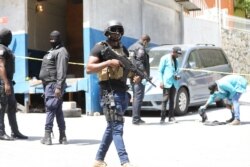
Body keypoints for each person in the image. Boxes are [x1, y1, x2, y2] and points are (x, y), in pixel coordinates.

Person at [86, 20, 138, 167]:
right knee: (117, 127)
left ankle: (98, 159)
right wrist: (108, 63)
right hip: (108, 92)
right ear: (107, 32)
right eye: (114, 30)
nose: (117, 33)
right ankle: (125, 161)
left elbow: (128, 73)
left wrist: (135, 76)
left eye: (119, 30)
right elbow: (89, 68)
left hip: (122, 92)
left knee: (112, 127)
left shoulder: (124, 50)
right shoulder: (100, 48)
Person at [39, 30, 69, 145]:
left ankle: (47, 136)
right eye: (50, 39)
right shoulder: (52, 51)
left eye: (54, 39)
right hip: (48, 84)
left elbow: (62, 70)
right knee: (57, 111)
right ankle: (63, 136)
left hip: (53, 84)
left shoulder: (61, 51)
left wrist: (58, 87)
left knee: (50, 108)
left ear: (59, 39)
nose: (52, 41)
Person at [0, 28, 28, 140]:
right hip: (3, 82)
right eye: (9, 36)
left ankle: (15, 131)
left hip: (9, 82)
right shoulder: (1, 49)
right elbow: (0, 66)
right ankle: (1, 132)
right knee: (2, 107)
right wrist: (6, 83)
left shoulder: (7, 49)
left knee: (12, 106)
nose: (11, 38)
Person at [128, 34, 151, 125]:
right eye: (147, 43)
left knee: (136, 97)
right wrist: (144, 74)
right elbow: (139, 63)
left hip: (132, 75)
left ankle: (136, 117)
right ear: (145, 40)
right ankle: (136, 119)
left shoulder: (132, 47)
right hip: (139, 76)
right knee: (138, 97)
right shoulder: (140, 48)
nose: (147, 45)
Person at [158, 46, 181, 124]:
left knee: (172, 101)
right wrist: (161, 81)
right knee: (165, 100)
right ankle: (162, 118)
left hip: (174, 83)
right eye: (178, 54)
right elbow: (160, 71)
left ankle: (171, 117)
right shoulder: (164, 58)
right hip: (166, 83)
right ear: (173, 52)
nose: (178, 55)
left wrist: (177, 76)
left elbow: (176, 70)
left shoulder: (176, 60)